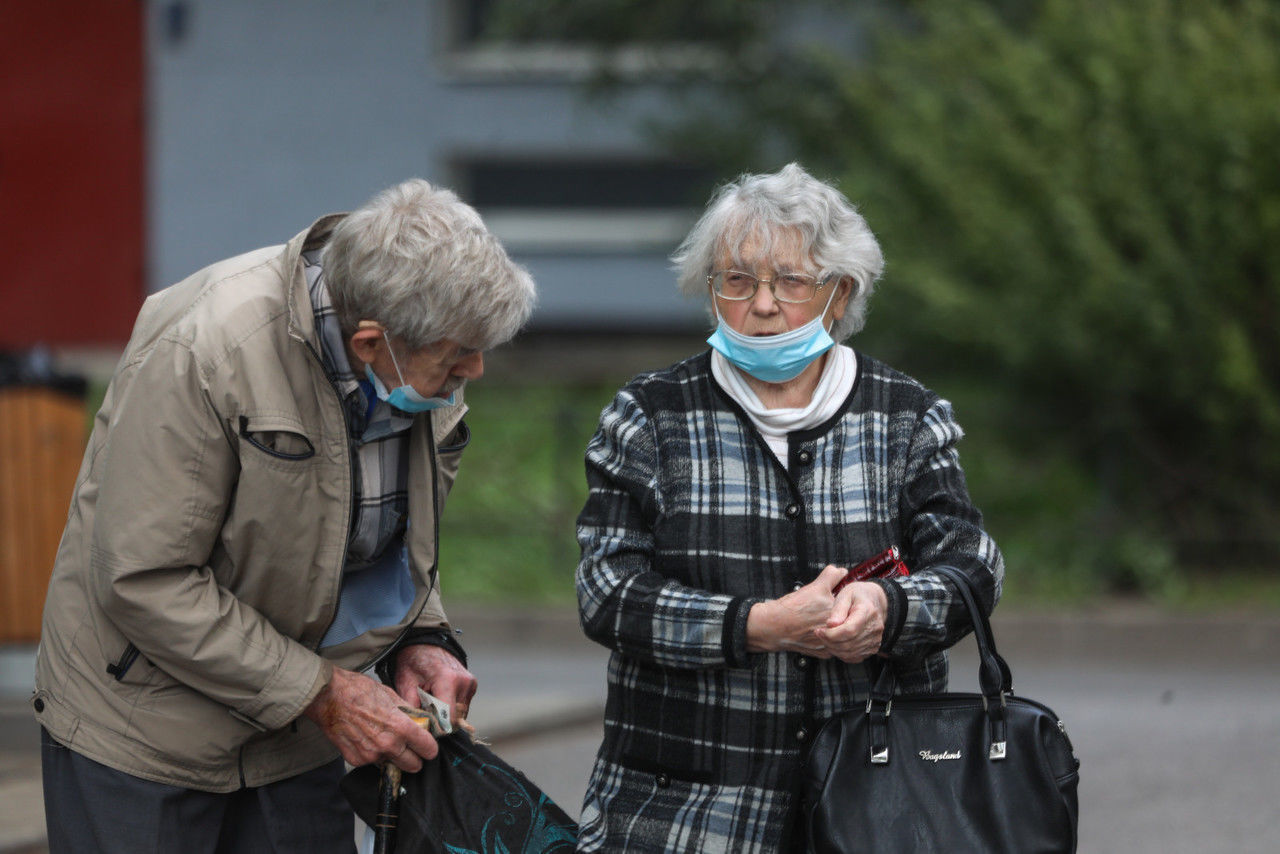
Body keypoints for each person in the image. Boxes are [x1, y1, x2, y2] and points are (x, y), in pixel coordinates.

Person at [32, 178, 536, 853]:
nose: (471, 371)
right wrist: (321, 690)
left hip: (298, 733)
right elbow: (143, 578)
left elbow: (385, 538)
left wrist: (425, 637)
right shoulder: (207, 347)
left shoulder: (421, 359)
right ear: (369, 344)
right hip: (145, 733)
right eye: (454, 359)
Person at [574, 163, 1005, 852]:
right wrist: (756, 625)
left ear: (841, 294)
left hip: (879, 806)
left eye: (791, 282)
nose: (763, 304)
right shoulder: (651, 416)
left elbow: (970, 564)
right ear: (710, 289)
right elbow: (607, 591)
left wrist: (889, 611)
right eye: (737, 281)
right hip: (685, 812)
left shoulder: (904, 416)